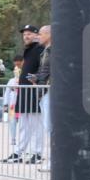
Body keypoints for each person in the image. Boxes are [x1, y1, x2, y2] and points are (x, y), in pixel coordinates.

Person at [2, 25, 44, 164]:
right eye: (25, 34)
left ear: (37, 35)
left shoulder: (40, 49)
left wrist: (37, 81)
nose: (26, 36)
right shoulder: (29, 50)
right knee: (24, 125)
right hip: (25, 91)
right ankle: (19, 152)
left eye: (29, 34)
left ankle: (37, 153)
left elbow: (44, 69)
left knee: (36, 124)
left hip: (34, 91)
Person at [35, 25, 52, 172]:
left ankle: (54, 161)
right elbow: (44, 71)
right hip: (44, 91)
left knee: (52, 128)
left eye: (40, 34)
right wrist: (38, 79)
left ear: (49, 34)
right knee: (49, 128)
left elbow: (50, 71)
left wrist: (42, 81)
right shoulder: (46, 51)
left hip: (50, 91)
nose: (37, 36)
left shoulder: (53, 51)